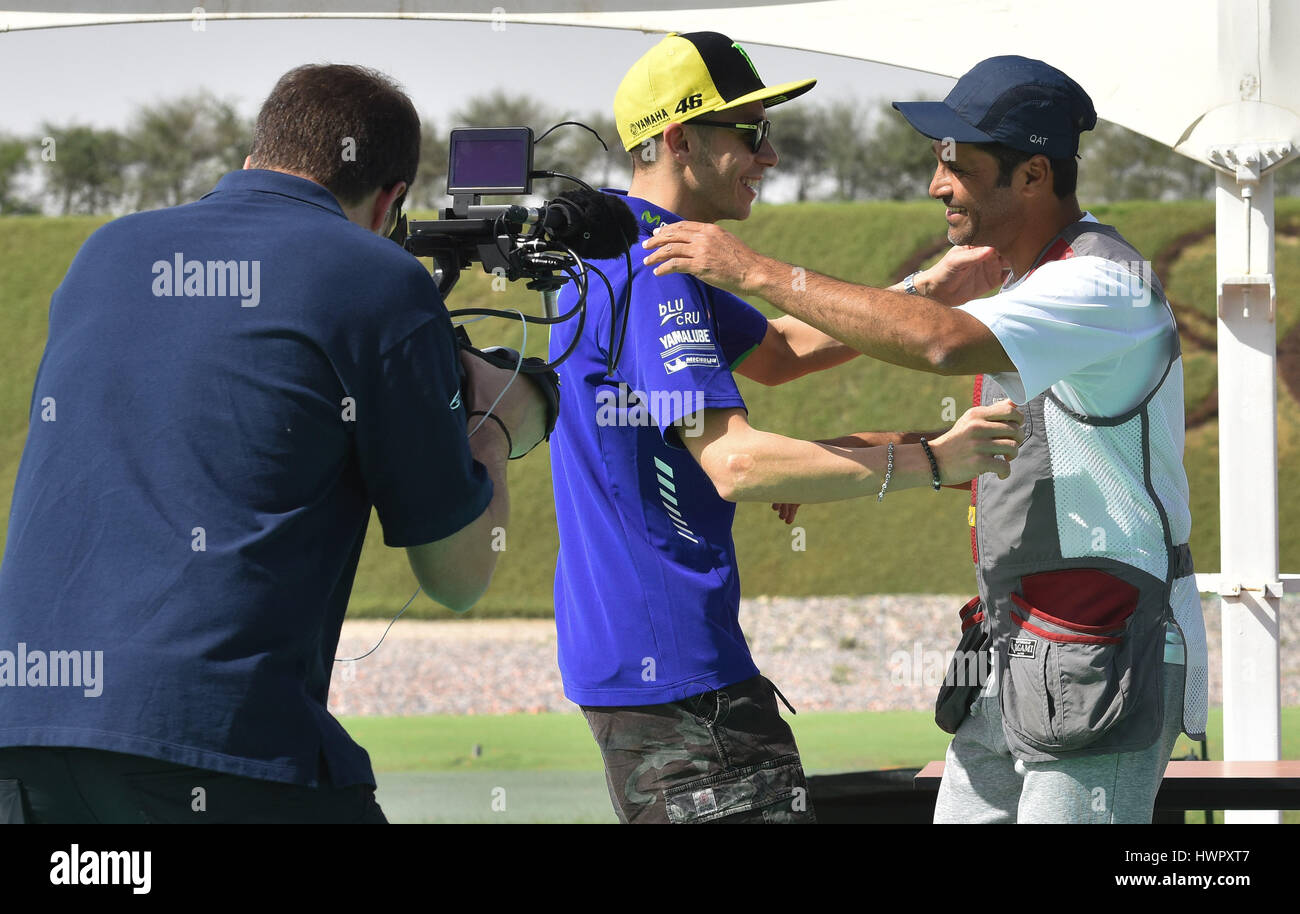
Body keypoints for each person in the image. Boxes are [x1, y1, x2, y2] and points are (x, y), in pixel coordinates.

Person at [642, 55, 1209, 824]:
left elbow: (939, 343)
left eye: (959, 167)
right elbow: (1020, 442)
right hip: (1020, 651)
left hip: (1099, 647)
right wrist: (862, 445)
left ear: (1034, 176)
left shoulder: (1100, 283)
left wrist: (756, 270)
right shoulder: (1035, 284)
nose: (937, 185)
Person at [0, 64, 548, 823]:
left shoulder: (105, 253)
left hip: (23, 739)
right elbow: (456, 576)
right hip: (218, 744)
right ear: (391, 201)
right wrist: (496, 427)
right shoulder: (380, 279)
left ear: (258, 153)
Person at [548, 32, 1025, 824]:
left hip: (632, 663)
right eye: (752, 134)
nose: (769, 156)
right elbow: (735, 463)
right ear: (680, 140)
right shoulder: (658, 272)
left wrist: (927, 286)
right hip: (685, 681)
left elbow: (778, 352)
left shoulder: (616, 247)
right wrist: (934, 460)